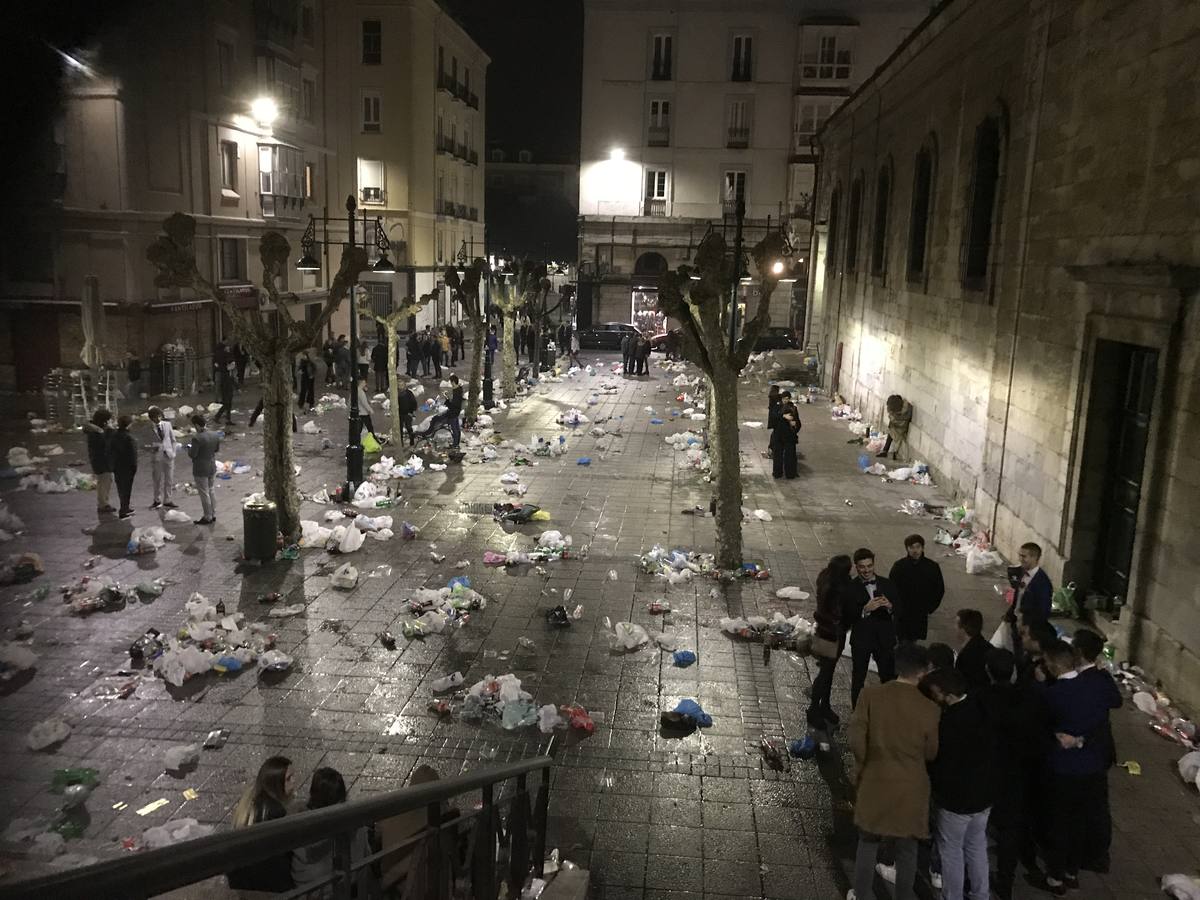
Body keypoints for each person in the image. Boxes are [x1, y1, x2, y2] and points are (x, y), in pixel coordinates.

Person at [848, 642, 939, 900]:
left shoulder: (870, 696)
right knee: (907, 850)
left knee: (867, 842)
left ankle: (862, 894)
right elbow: (931, 751)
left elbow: (856, 738)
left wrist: (864, 764)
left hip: (876, 778)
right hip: (912, 787)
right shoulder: (930, 709)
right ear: (922, 672)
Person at [1037, 640, 1121, 895]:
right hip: (1093, 767)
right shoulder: (1096, 687)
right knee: (1079, 821)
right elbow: (1101, 725)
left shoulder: (1052, 695)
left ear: (1051, 665)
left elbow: (1041, 728)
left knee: (1059, 822)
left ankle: (1054, 876)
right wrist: (1083, 741)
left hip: (1064, 769)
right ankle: (1072, 871)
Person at [980, 647, 1051, 900]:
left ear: (988, 671)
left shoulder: (982, 699)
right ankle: (1005, 880)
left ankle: (975, 876)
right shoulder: (1028, 699)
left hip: (987, 771)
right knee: (1010, 828)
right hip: (1017, 772)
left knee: (977, 825)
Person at [921, 667, 995, 900]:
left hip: (957, 801)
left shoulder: (950, 722)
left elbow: (942, 762)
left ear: (948, 695)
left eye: (936, 693)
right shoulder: (981, 708)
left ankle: (951, 896)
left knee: (951, 851)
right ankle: (980, 894)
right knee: (976, 846)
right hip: (983, 796)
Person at [1070, 629, 1119, 874]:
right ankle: (1099, 853)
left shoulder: (1081, 682)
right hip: (1102, 750)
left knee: (1083, 805)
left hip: (1086, 751)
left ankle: (1084, 853)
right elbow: (1116, 700)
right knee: (1099, 804)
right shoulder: (1102, 678)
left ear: (1078, 652)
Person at [291, 767, 374, 898]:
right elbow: (364, 860)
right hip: (344, 890)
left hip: (309, 893)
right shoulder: (354, 825)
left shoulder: (297, 824)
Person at [228, 755, 295, 893]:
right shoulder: (275, 811)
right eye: (288, 779)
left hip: (241, 881)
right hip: (265, 885)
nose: (294, 783)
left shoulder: (250, 799)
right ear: (276, 782)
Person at [846, 547, 900, 709]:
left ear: (874, 565)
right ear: (856, 567)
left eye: (869, 566)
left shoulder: (887, 584)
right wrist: (864, 610)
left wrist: (890, 606)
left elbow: (900, 609)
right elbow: (846, 615)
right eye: (862, 567)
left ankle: (889, 709)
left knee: (888, 676)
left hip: (884, 638)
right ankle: (857, 710)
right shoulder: (850, 587)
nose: (866, 570)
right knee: (858, 678)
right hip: (862, 639)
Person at [807, 554, 853, 729]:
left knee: (828, 671)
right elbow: (844, 613)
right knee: (825, 673)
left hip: (822, 631)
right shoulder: (840, 588)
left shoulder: (825, 578)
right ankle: (814, 709)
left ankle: (824, 705)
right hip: (833, 635)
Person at [887, 534, 945, 642]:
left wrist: (930, 607)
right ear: (907, 549)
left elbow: (939, 589)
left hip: (920, 610)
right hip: (902, 611)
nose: (915, 550)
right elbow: (890, 587)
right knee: (902, 637)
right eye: (911, 547)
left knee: (914, 638)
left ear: (922, 548)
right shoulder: (899, 566)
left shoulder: (931, 567)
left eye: (918, 547)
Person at [1005, 542, 1053, 626]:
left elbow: (1043, 611)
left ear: (1034, 558)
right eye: (1019, 555)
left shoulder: (1042, 583)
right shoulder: (1022, 572)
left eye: (1024, 556)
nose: (1020, 559)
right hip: (1016, 623)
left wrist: (1028, 629)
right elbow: (1018, 597)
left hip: (1028, 628)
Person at [187, 414, 221, 525]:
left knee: (204, 492)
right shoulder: (215, 434)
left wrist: (189, 449)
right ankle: (213, 513)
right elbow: (216, 449)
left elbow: (193, 454)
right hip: (212, 465)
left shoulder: (197, 438)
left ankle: (207, 516)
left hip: (201, 468)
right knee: (211, 490)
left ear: (197, 425)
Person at [83, 408, 116, 515]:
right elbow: (104, 445)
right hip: (101, 461)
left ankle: (104, 502)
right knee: (104, 481)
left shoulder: (95, 430)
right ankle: (103, 504)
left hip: (100, 460)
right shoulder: (96, 433)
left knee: (106, 480)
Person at [145, 407, 178, 510]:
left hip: (168, 455)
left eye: (159, 416)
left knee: (169, 478)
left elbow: (173, 440)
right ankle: (157, 500)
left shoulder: (167, 425)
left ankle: (168, 499)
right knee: (157, 479)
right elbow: (143, 444)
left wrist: (173, 452)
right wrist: (150, 448)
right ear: (151, 418)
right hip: (157, 456)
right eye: (155, 417)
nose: (158, 419)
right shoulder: (147, 429)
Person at [952, 609, 991, 692]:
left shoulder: (965, 656)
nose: (954, 628)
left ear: (963, 629)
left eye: (956, 624)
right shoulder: (989, 648)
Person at [109, 414, 138, 519]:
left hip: (117, 467)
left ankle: (125, 508)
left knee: (121, 489)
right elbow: (133, 455)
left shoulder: (114, 436)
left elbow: (110, 452)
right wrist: (134, 467)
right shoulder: (129, 438)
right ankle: (124, 510)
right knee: (127, 489)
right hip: (127, 467)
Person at [770, 401, 800, 478]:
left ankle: (788, 474)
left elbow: (798, 423)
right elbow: (773, 419)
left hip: (788, 437)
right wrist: (783, 416)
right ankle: (780, 473)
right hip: (780, 436)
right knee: (779, 456)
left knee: (788, 456)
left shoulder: (793, 409)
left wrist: (794, 425)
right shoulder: (777, 408)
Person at [878, 393, 912, 460]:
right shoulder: (903, 407)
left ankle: (887, 451)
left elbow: (902, 420)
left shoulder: (904, 410)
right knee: (891, 429)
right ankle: (887, 450)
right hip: (898, 425)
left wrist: (894, 419)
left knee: (891, 431)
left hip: (901, 427)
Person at [357, 377, 380, 442]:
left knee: (360, 427)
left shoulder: (357, 390)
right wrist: (370, 410)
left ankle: (358, 439)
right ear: (361, 383)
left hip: (360, 412)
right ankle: (374, 439)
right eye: (364, 382)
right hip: (363, 413)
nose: (365, 384)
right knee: (369, 427)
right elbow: (364, 403)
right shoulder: (360, 392)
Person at [215, 356, 236, 426]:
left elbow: (233, 381)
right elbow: (222, 384)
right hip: (225, 391)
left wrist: (237, 388)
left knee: (228, 406)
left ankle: (228, 420)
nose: (234, 366)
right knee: (226, 405)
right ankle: (217, 417)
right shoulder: (224, 372)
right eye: (233, 364)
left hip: (229, 391)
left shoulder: (230, 372)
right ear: (229, 364)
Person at [444, 374, 464, 447]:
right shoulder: (459, 390)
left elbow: (453, 404)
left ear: (453, 382)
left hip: (454, 412)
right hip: (456, 411)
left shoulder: (456, 392)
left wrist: (447, 401)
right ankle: (456, 443)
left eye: (451, 382)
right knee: (456, 427)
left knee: (454, 428)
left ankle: (455, 444)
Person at [396, 382, 418, 446]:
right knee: (399, 429)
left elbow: (414, 402)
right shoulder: (396, 394)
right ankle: (401, 442)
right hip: (399, 414)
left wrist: (412, 411)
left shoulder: (409, 393)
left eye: (402, 385)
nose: (400, 387)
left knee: (408, 427)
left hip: (408, 413)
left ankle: (412, 440)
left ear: (405, 386)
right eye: (399, 385)